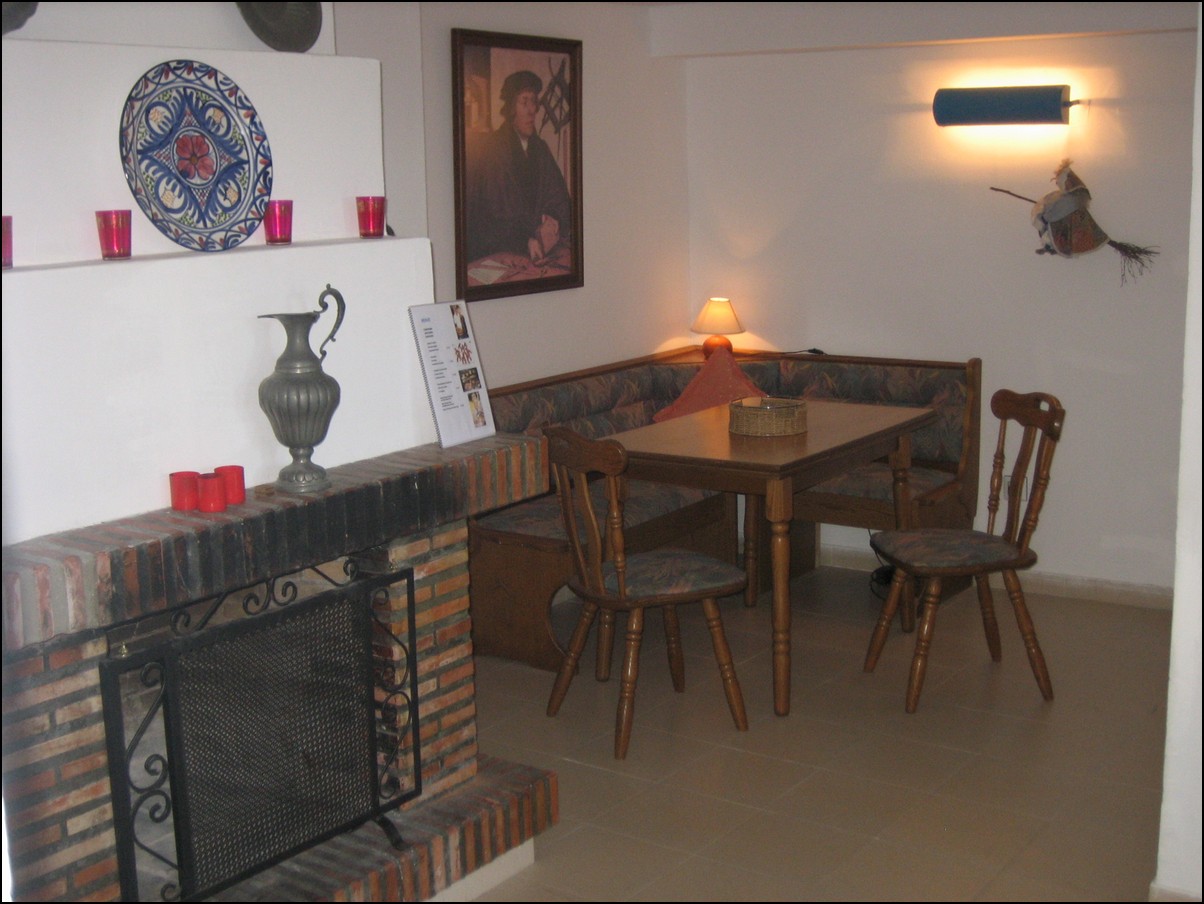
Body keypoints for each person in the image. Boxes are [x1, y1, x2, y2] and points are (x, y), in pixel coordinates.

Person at [465, 69, 573, 266]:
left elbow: (559, 198)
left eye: (534, 101)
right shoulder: (493, 150)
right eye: (524, 102)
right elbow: (488, 219)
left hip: (540, 253)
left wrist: (553, 219)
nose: (532, 110)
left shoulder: (540, 149)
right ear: (511, 109)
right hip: (502, 252)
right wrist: (523, 240)